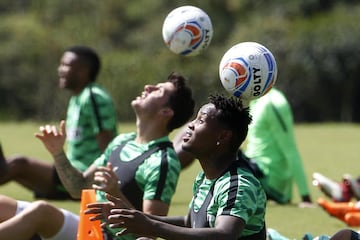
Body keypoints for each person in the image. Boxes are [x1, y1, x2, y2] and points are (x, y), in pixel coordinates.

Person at [0, 72, 195, 240]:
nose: (148, 87)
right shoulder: (123, 141)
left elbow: (149, 232)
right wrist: (58, 153)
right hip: (90, 229)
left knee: (41, 211)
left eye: (158, 91)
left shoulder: (162, 161)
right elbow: (79, 187)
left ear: (166, 112)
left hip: (107, 237)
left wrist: (114, 193)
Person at [87, 94, 267, 239]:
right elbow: (190, 223)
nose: (191, 125)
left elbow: (225, 235)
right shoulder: (205, 178)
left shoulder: (238, 184)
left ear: (223, 136)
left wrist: (152, 227)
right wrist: (129, 214)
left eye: (201, 121)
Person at [0, 46, 118, 200]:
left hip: (83, 176)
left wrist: (101, 185)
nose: (60, 70)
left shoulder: (93, 96)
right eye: (61, 64)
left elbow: (108, 147)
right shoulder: (77, 97)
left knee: (18, 165)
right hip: (68, 172)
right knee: (12, 169)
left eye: (66, 65)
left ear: (83, 70)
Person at [244, 88, 313, 206]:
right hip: (253, 168)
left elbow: (290, 149)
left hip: (269, 180)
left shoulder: (274, 103)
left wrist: (305, 196)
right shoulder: (255, 100)